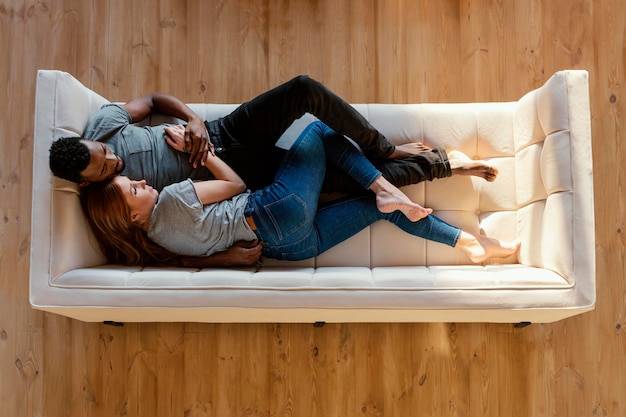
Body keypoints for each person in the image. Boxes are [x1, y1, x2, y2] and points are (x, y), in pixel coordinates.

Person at [80, 122, 519, 267]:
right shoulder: (172, 199)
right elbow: (236, 186)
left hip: (288, 246)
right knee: (316, 130)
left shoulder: (158, 244)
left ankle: (472, 245)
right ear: (132, 216)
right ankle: (387, 186)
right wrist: (206, 153)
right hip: (273, 210)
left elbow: (211, 248)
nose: (142, 182)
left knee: (378, 212)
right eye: (132, 190)